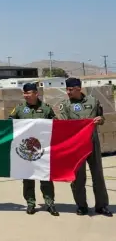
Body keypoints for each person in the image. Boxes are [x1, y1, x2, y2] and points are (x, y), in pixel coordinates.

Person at [58, 77, 112, 217]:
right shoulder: (65, 105)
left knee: (98, 175)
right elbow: (64, 125)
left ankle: (102, 206)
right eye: (67, 89)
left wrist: (100, 120)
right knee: (78, 177)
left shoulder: (93, 101)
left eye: (71, 89)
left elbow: (101, 117)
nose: (68, 92)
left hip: (92, 142)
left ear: (78, 89)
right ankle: (81, 205)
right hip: (76, 145)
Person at [9, 83, 59, 216]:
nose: (26, 95)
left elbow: (56, 125)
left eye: (28, 93)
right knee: (28, 177)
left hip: (42, 150)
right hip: (25, 150)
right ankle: (30, 203)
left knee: (46, 178)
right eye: (24, 93)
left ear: (36, 93)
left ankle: (49, 203)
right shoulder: (19, 109)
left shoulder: (46, 109)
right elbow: (9, 124)